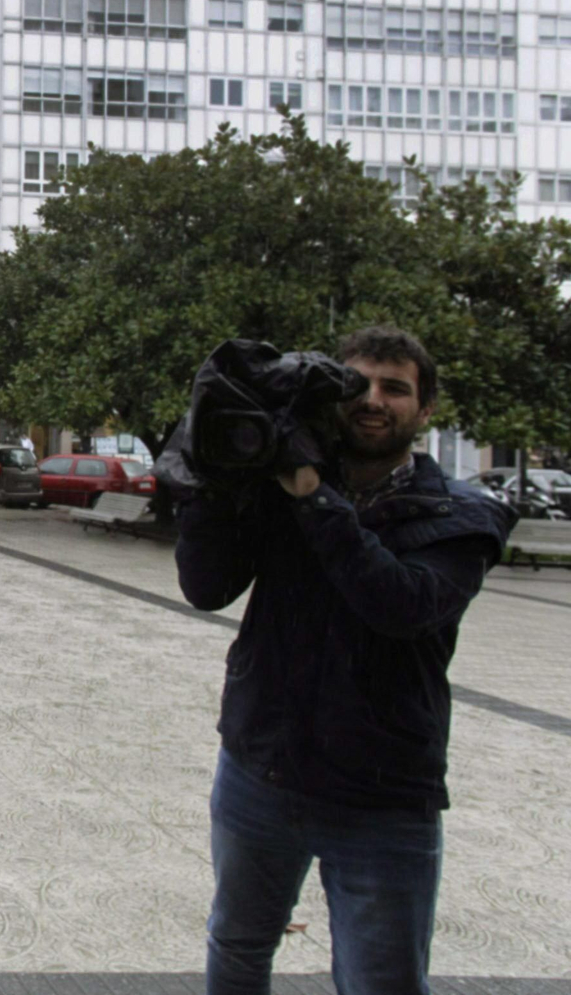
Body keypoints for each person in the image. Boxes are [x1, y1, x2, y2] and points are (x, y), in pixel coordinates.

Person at [175, 326, 515, 995]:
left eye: (396, 388)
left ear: (425, 409)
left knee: (380, 979)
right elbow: (206, 586)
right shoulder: (284, 483)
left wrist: (313, 497)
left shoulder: (462, 517)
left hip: (383, 796)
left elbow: (399, 605)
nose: (374, 400)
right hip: (260, 769)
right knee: (238, 943)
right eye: (358, 383)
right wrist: (211, 482)